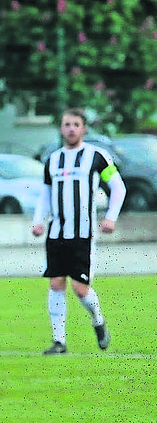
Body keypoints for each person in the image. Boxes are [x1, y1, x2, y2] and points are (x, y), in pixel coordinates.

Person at [32, 108, 126, 355]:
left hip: (82, 233)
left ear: (84, 129)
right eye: (66, 124)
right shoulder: (52, 160)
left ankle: (98, 322)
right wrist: (38, 220)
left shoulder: (97, 156)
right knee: (56, 283)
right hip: (56, 233)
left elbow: (118, 187)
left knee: (80, 288)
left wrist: (110, 217)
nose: (71, 128)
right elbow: (45, 193)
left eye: (76, 124)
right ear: (61, 129)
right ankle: (59, 341)